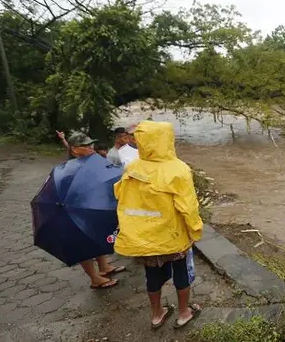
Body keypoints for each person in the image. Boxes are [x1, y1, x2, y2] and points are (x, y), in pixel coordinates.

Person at [114, 121, 203, 329]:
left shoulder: (133, 167)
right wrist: (195, 229)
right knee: (181, 271)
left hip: (143, 235)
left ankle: (157, 314)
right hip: (173, 234)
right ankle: (183, 313)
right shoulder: (178, 169)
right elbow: (188, 206)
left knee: (151, 274)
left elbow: (120, 195)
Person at [66, 132, 126, 289]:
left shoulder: (92, 162)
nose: (91, 148)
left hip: (96, 207)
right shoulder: (70, 169)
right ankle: (94, 278)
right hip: (80, 211)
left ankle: (104, 267)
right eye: (85, 146)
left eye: (90, 144)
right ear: (74, 149)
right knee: (84, 244)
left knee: (98, 236)